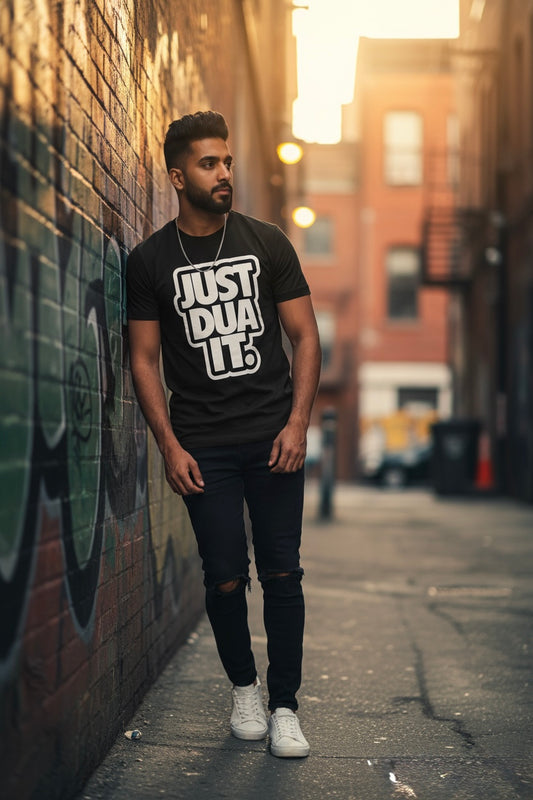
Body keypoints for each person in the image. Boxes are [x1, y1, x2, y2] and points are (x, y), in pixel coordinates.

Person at [126, 110, 321, 758]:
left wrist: (297, 423)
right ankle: (243, 689)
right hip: (201, 443)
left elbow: (304, 336)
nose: (223, 173)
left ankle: (285, 706)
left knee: (283, 573)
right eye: (209, 164)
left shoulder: (266, 242)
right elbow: (144, 359)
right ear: (178, 175)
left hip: (272, 437)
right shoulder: (150, 261)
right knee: (224, 577)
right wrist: (169, 446)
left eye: (227, 161)